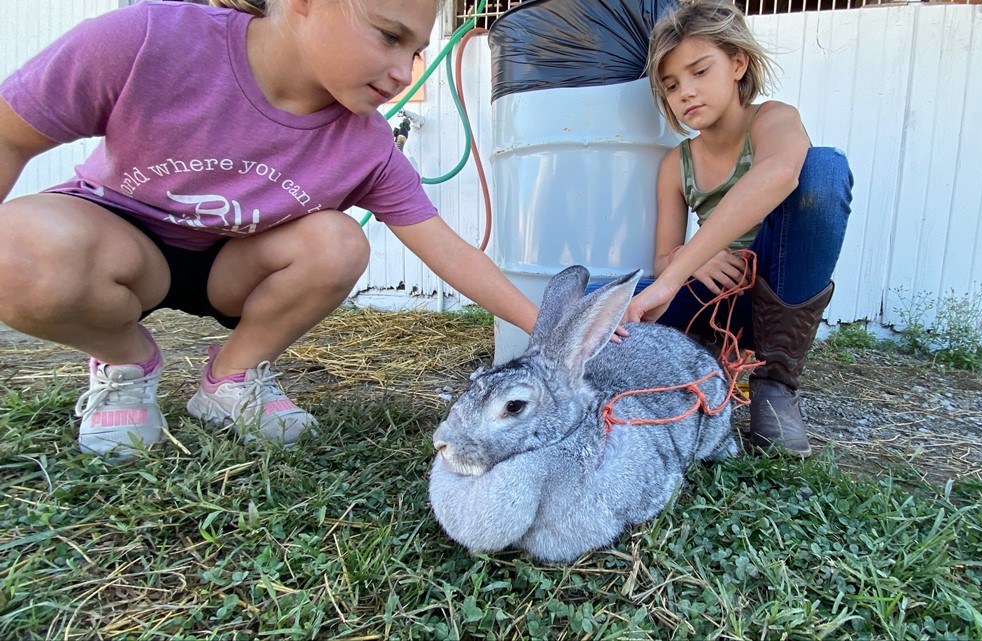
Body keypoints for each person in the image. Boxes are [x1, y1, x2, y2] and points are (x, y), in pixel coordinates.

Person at [0, 0, 538, 461]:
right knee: (14, 248)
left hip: (233, 268)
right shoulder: (148, 40)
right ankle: (125, 362)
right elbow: (9, 136)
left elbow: (449, 250)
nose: (404, 72)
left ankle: (231, 380)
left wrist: (552, 328)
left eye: (415, 50)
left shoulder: (366, 144)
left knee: (338, 240)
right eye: (389, 35)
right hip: (119, 241)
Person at [624, 0, 853, 458]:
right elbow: (663, 257)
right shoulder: (676, 163)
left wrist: (675, 271)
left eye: (699, 71)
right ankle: (702, 357)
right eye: (671, 85)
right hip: (716, 301)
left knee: (823, 170)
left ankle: (775, 384)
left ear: (737, 63)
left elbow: (781, 174)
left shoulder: (773, 119)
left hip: (778, 287)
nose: (686, 92)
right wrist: (692, 259)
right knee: (599, 300)